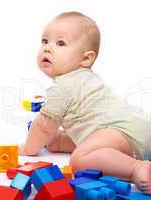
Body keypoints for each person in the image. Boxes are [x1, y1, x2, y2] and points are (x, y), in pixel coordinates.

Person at [19, 11, 151, 194]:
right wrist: (56, 140)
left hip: (121, 133)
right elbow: (89, 125)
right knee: (87, 138)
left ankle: (135, 167)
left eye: (60, 43)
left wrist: (29, 147)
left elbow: (43, 126)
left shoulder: (62, 88)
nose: (47, 48)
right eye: (44, 41)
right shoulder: (85, 78)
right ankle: (60, 142)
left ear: (86, 58)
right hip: (138, 127)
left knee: (80, 159)